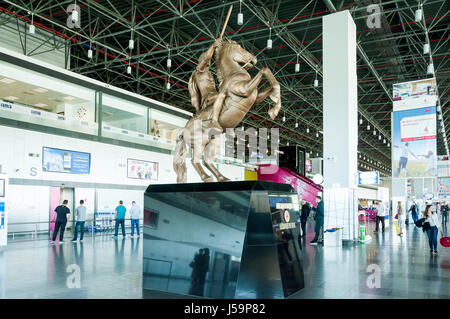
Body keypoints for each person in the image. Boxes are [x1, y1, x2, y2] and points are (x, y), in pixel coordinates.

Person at [188, 38, 224, 131]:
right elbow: (206, 59)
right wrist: (213, 46)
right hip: (208, 97)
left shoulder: (208, 72)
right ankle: (214, 121)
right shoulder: (199, 71)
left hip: (213, 94)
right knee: (222, 95)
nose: (209, 60)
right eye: (207, 59)